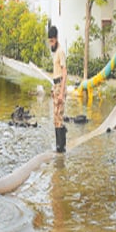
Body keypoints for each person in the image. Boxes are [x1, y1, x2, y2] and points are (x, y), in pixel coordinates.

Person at [48, 25, 67, 153]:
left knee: (59, 115)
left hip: (60, 85)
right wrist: (52, 88)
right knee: (55, 117)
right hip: (55, 85)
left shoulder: (60, 51)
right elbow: (55, 71)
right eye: (50, 41)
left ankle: (61, 147)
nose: (51, 43)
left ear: (56, 38)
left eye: (52, 41)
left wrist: (61, 93)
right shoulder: (55, 52)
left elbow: (64, 73)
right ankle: (58, 145)